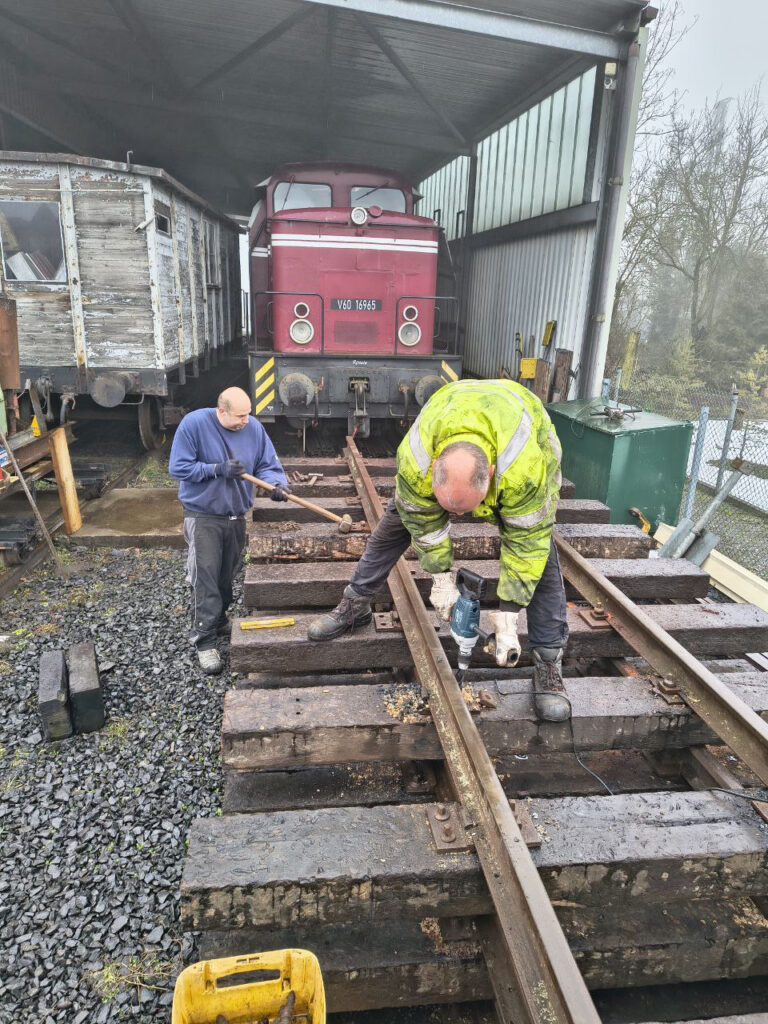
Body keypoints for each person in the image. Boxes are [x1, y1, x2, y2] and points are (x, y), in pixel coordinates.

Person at [308, 378, 570, 722]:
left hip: (525, 433)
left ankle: (548, 663)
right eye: (450, 507)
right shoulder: (415, 458)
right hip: (455, 419)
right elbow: (423, 522)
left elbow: (526, 548)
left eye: (464, 509)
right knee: (394, 525)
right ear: (433, 468)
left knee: (541, 559)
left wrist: (508, 619)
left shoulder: (523, 469)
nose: (457, 517)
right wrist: (441, 578)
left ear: (490, 476)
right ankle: (354, 604)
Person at [169, 386, 288, 675]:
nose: (246, 420)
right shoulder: (194, 425)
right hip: (204, 516)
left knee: (227, 574)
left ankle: (219, 620)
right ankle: (204, 641)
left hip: (236, 516)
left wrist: (276, 485)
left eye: (249, 414)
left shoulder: (253, 427)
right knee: (205, 578)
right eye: (240, 415)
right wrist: (217, 469)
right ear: (221, 410)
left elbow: (268, 463)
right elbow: (178, 468)